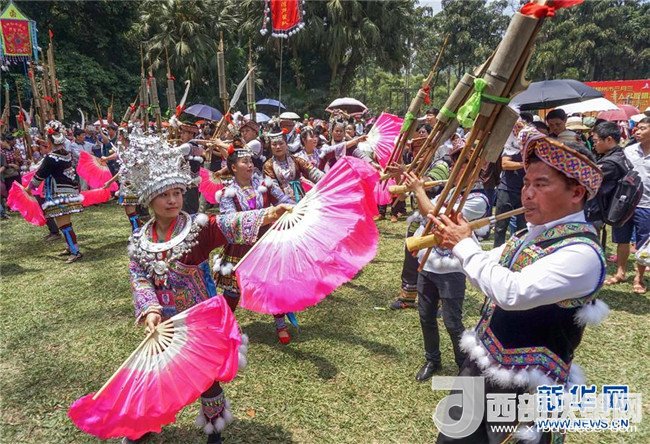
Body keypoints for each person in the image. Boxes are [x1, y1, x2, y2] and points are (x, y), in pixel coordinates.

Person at [430, 130, 607, 443]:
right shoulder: (530, 234)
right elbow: (485, 266)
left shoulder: (583, 253)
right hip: (483, 362)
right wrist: (449, 248)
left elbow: (512, 292)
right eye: (526, 183)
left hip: (526, 386)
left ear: (577, 193)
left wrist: (463, 244)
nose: (527, 193)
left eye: (541, 184)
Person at [124, 128, 256, 444]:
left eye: (177, 193)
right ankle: (145, 423)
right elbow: (139, 276)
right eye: (164, 195)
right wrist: (150, 309)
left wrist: (272, 214)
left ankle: (214, 430)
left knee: (206, 378)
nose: (172, 200)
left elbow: (230, 224)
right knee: (157, 373)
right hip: (163, 324)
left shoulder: (197, 229)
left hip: (199, 321)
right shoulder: (139, 240)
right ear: (149, 200)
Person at [402, 144, 490, 382]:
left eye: (466, 165)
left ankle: (464, 366)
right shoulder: (449, 192)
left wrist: (419, 190)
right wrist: (415, 188)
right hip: (428, 264)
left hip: (452, 269)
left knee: (452, 322)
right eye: (457, 164)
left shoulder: (478, 200)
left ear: (478, 170)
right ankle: (432, 359)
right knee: (426, 315)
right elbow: (424, 213)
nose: (458, 169)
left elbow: (437, 217)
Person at [214, 145, 294, 343]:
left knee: (272, 283)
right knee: (233, 289)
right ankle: (223, 326)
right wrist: (262, 216)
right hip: (240, 245)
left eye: (251, 161)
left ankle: (280, 324)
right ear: (234, 167)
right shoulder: (228, 193)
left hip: (265, 241)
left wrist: (294, 207)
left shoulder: (264, 184)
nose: (250, 165)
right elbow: (229, 220)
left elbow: (283, 199)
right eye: (245, 162)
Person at [26, 121, 84, 263]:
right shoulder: (67, 155)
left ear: (50, 142)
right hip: (68, 192)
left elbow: (39, 176)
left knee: (64, 224)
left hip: (59, 194)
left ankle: (75, 251)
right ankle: (70, 247)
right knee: (64, 223)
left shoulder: (51, 158)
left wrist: (28, 188)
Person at [607, 117, 650, 293]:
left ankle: (639, 278)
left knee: (643, 243)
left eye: (643, 128)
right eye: (637, 128)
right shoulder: (629, 151)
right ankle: (621, 272)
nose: (637, 131)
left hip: (646, 206)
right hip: (624, 204)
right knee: (622, 239)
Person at [584, 121, 628, 231]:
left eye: (595, 141)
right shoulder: (619, 155)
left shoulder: (609, 164)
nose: (594, 144)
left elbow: (585, 179)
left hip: (595, 211)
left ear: (608, 139)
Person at [263, 127, 324, 202]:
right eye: (274, 144)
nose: (278, 147)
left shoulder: (296, 160)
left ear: (286, 144)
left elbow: (313, 172)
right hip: (282, 202)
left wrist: (327, 179)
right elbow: (273, 188)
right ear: (270, 147)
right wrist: (287, 201)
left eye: (281, 143)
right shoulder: (268, 165)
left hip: (301, 197)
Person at [493, 120, 528, 247]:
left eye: (521, 128)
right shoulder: (511, 144)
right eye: (516, 128)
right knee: (500, 225)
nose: (518, 131)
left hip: (524, 190)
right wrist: (524, 164)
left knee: (523, 227)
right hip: (507, 189)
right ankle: (496, 251)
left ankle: (519, 251)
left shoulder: (531, 145)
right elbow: (505, 164)